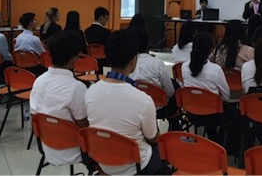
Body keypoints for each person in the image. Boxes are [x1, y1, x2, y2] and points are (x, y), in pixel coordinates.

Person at [84, 30, 165, 175]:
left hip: (102, 161)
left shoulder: (90, 91)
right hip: (135, 166)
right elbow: (153, 138)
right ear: (133, 61)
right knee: (163, 149)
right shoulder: (143, 100)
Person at [30, 30, 89, 168]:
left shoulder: (38, 80)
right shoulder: (76, 88)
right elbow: (84, 126)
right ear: (75, 58)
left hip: (46, 145)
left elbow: (34, 116)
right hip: (74, 150)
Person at [182, 33, 233, 142]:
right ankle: (219, 141)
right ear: (210, 50)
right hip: (213, 116)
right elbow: (226, 96)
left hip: (191, 113)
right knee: (235, 113)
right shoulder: (216, 70)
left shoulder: (184, 67)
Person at [129, 24, 179, 129]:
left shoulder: (126, 65)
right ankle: (174, 129)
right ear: (148, 43)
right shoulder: (157, 63)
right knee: (174, 87)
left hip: (133, 107)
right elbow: (170, 92)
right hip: (159, 109)